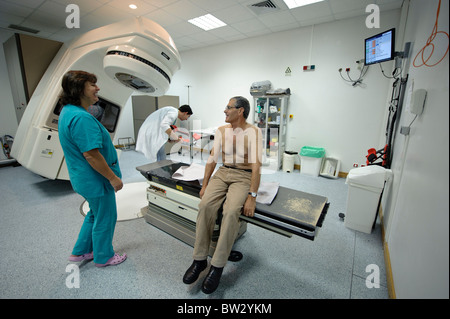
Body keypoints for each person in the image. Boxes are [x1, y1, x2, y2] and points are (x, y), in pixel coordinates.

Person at [183, 96, 262, 294]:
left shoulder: (253, 132)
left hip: (243, 176)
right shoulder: (220, 131)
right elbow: (212, 158)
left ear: (240, 110)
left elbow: (256, 165)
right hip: (223, 172)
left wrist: (252, 195)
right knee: (205, 206)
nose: (225, 111)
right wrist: (206, 183)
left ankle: (217, 266)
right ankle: (199, 260)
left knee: (231, 211)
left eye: (228, 107)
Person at [58, 70, 127, 267]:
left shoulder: (68, 112)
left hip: (83, 178)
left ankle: (81, 252)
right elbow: (91, 154)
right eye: (92, 85)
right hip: (95, 180)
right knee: (106, 216)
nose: (97, 88)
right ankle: (104, 256)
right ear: (79, 89)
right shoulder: (81, 118)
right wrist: (113, 178)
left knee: (94, 213)